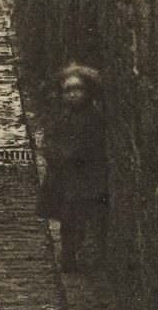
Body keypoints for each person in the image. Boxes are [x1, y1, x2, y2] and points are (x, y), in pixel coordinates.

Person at [36, 63, 109, 272]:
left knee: (84, 217)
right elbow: (50, 138)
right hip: (64, 177)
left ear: (88, 93)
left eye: (78, 90)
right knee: (67, 218)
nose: (73, 95)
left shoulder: (93, 119)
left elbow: (89, 147)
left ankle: (82, 254)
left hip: (85, 177)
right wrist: (51, 152)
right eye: (68, 91)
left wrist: (67, 155)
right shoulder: (62, 116)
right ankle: (68, 256)